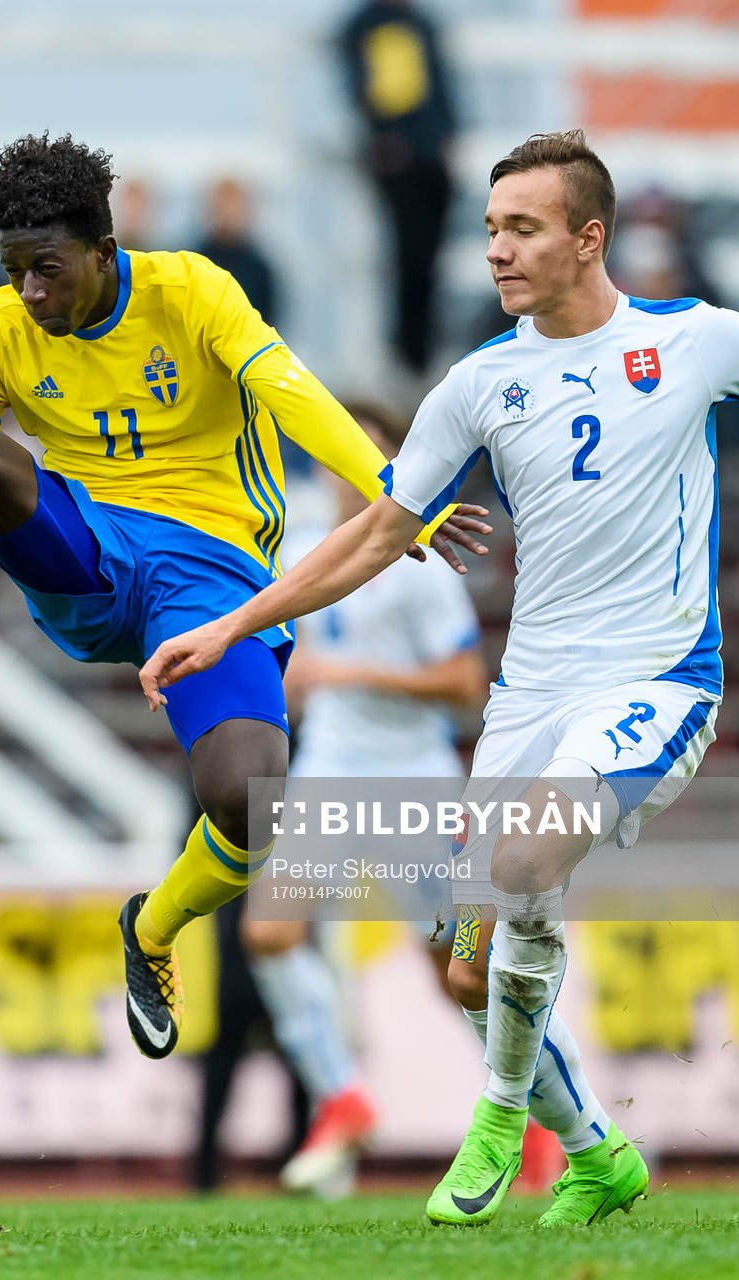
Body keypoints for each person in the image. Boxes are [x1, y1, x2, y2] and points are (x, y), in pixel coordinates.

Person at [139, 129, 739, 1227]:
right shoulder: (479, 383)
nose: (496, 251)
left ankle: (494, 1116)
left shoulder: (699, 341)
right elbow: (378, 530)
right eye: (488, 230)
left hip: (656, 682)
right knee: (468, 970)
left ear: (589, 237)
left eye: (521, 228)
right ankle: (596, 1149)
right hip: (528, 701)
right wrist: (236, 625)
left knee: (525, 854)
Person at [0, 132, 490, 1064]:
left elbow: (294, 395)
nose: (29, 293)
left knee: (250, 799)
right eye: (14, 270)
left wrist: (397, 493)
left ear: (105, 251)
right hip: (91, 558)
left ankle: (150, 930)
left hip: (214, 579)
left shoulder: (194, 292)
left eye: (47, 270)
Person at [244, 405, 486, 1198]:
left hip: (413, 778)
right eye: (333, 457)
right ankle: (342, 1097)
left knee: (456, 972)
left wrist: (352, 677)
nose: (346, 473)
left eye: (365, 458)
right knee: (271, 933)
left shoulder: (419, 560)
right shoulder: (302, 546)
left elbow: (464, 687)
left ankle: (544, 1119)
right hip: (331, 768)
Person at [338, 0, 457, 379]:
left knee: (426, 259)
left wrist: (443, 138)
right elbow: (374, 91)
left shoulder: (417, 23)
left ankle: (417, 353)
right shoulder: (371, 25)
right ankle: (411, 355)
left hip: (428, 159)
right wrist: (387, 140)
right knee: (410, 257)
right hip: (403, 160)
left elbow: (437, 88)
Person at [194, 178, 280, 329]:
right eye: (222, 206)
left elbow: (269, 322)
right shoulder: (193, 262)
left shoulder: (259, 269)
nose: (228, 213)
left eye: (234, 205)